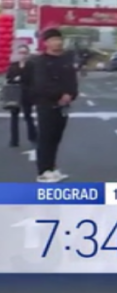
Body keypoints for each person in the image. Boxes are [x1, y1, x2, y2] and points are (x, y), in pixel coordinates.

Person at [28, 28, 78, 183]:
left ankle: (52, 168)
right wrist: (59, 95)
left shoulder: (66, 60)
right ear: (46, 43)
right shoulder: (40, 62)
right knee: (46, 138)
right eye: (54, 40)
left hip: (63, 106)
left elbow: (72, 81)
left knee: (56, 138)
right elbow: (41, 84)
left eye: (59, 39)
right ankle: (43, 171)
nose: (58, 42)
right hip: (47, 104)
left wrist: (71, 94)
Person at [4, 45, 37, 148]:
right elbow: (9, 78)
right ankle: (14, 140)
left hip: (27, 94)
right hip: (15, 94)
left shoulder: (32, 65)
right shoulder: (13, 65)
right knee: (14, 117)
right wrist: (15, 79)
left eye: (24, 53)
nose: (22, 55)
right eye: (20, 52)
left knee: (28, 116)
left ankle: (33, 137)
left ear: (28, 54)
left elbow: (34, 80)